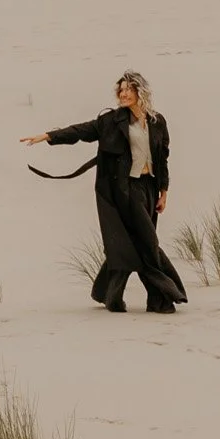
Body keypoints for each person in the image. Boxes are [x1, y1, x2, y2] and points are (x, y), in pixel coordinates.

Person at [23, 71, 185, 314]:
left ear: (141, 91)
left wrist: (163, 191)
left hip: (148, 187)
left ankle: (111, 296)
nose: (124, 93)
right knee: (148, 243)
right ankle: (162, 297)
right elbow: (82, 131)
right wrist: (48, 136)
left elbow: (162, 158)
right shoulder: (112, 120)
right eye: (121, 90)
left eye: (129, 89)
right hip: (125, 189)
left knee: (127, 244)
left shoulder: (157, 121)